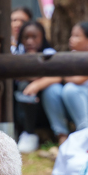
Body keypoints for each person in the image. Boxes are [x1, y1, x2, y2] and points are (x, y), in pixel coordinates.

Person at [22, 21, 88, 138]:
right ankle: (62, 134)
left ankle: (85, 133)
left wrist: (62, 75)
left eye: (77, 36)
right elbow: (63, 76)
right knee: (53, 90)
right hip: (72, 105)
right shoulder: (71, 55)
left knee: (70, 89)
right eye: (72, 35)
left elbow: (78, 79)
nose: (71, 39)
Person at [12, 19, 59, 151]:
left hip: (42, 109)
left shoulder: (50, 54)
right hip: (20, 108)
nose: (30, 41)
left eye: (34, 37)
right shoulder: (16, 54)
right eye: (26, 37)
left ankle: (30, 133)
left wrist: (37, 84)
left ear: (42, 37)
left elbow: (59, 76)